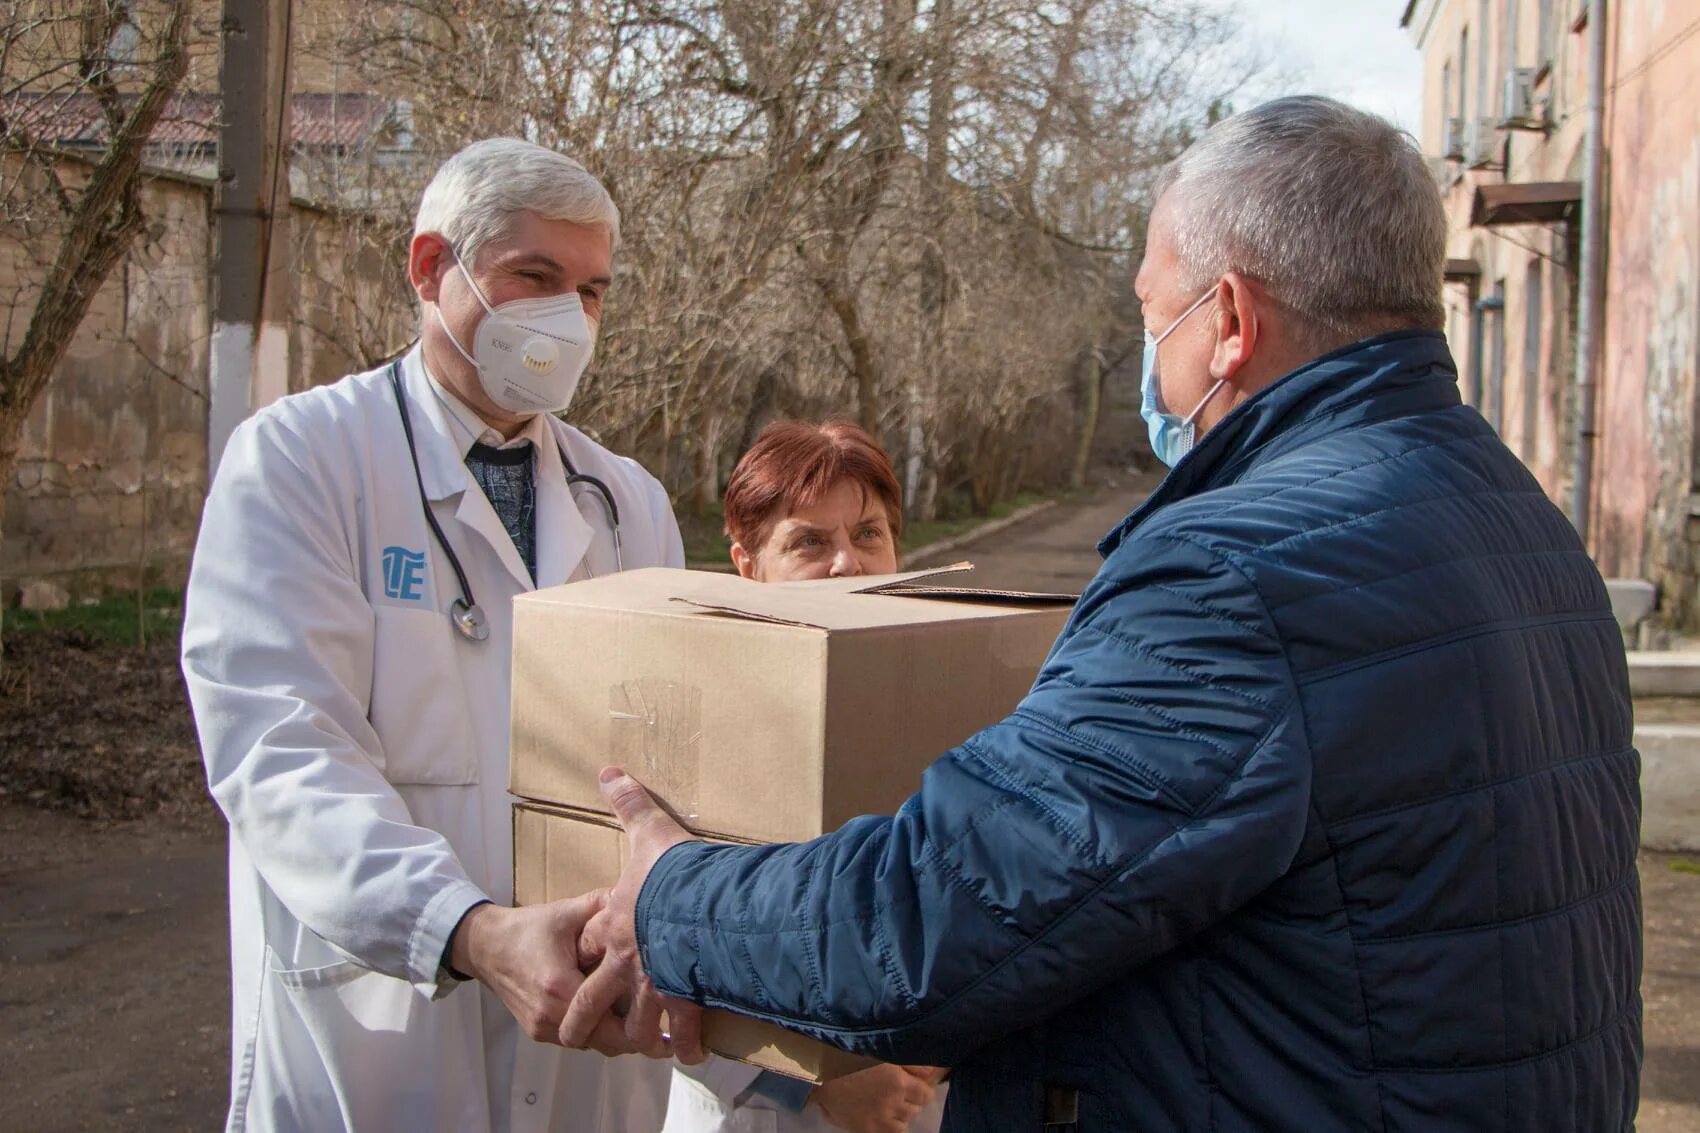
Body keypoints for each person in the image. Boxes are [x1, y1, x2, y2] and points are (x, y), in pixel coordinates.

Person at [564, 96, 1644, 1131]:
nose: (1150, 355)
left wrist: (673, 893)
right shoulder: (1515, 517)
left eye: (1147, 311)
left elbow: (925, 919)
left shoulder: (1232, 572)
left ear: (1225, 318)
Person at [181, 138, 684, 1132]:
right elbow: (280, 752)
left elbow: (672, 761)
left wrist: (649, 909)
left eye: (589, 292)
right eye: (533, 278)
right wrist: (467, 930)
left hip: (591, 1022)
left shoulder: (628, 501)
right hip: (380, 1028)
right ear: (427, 267)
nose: (566, 319)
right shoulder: (301, 461)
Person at [663, 420, 944, 1133]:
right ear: (748, 565)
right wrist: (808, 1082)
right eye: (810, 541)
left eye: (869, 534)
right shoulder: (693, 718)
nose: (848, 563)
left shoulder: (956, 694)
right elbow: (654, 932)